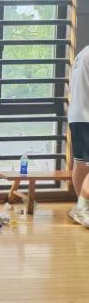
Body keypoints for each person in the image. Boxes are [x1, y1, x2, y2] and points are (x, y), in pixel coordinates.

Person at [68, 46, 89, 227]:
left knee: (81, 162)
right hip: (86, 115)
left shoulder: (83, 53)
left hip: (77, 115)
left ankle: (81, 207)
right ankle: (82, 207)